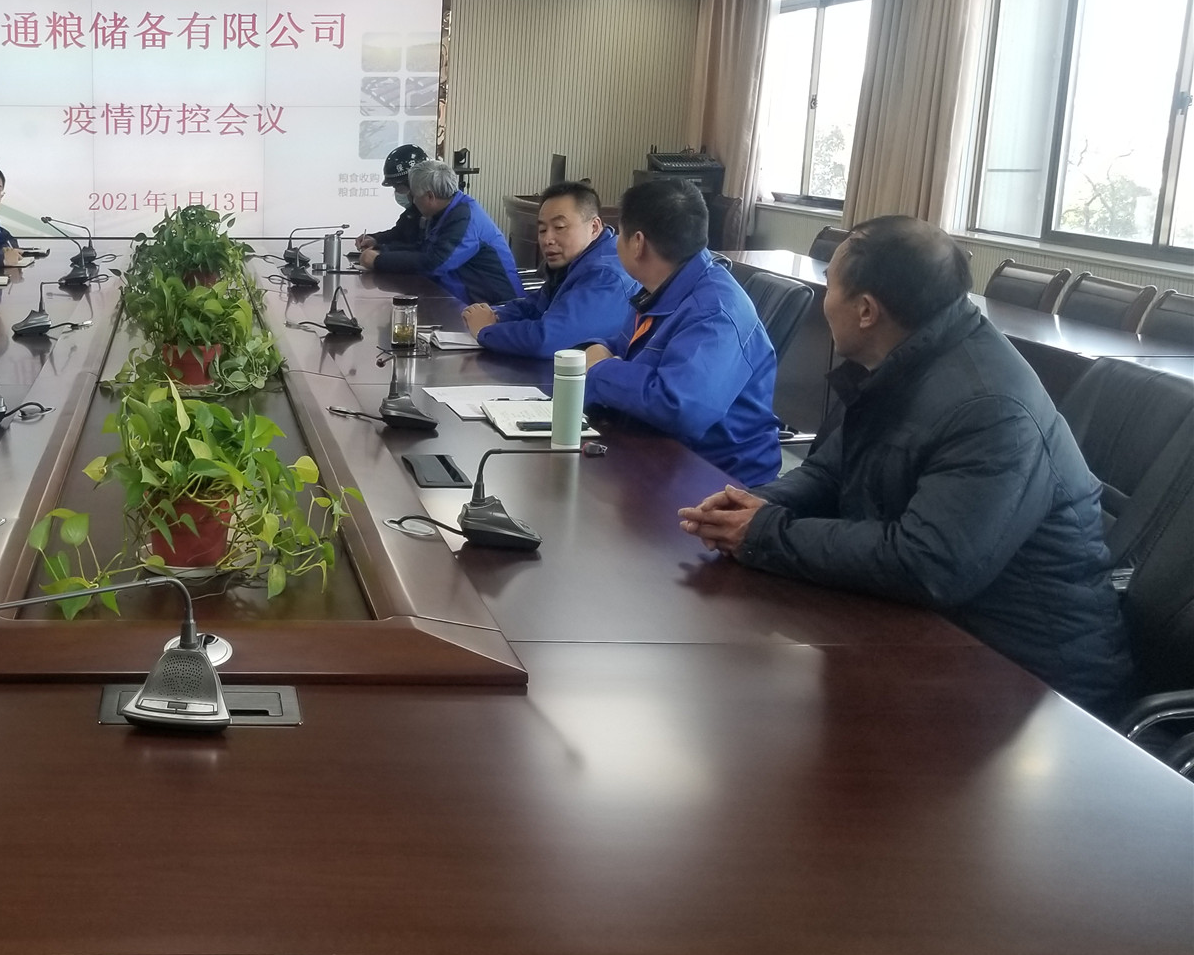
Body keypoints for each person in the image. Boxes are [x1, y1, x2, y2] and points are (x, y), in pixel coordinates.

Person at [679, 216, 1132, 717]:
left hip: (1033, 687)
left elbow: (929, 563)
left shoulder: (990, 408)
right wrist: (754, 506)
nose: (825, 299)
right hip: (943, 635)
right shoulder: (903, 362)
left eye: (831, 285)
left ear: (866, 310)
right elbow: (830, 473)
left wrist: (766, 534)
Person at [581, 179, 781, 485]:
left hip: (720, 479)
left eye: (619, 233)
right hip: (660, 452)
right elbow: (629, 348)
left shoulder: (715, 312)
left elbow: (681, 407)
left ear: (638, 243)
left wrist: (601, 369)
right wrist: (598, 348)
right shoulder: (662, 286)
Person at [462, 182, 638, 358]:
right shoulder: (577, 261)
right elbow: (534, 307)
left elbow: (549, 341)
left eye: (559, 227)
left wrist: (485, 330)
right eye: (542, 230)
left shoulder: (606, 275)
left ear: (594, 227)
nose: (547, 239)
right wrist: (494, 315)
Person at [358, 158, 523, 307]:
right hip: (463, 298)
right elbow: (423, 248)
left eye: (414, 196)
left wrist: (379, 260)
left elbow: (435, 263)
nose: (413, 201)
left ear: (430, 196)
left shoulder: (464, 217)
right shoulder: (445, 211)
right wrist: (382, 249)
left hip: (496, 308)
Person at [352, 143, 428, 254]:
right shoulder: (412, 212)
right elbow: (398, 234)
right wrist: (375, 239)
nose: (396, 193)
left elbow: (421, 250)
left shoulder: (435, 215)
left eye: (398, 187)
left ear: (415, 184)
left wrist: (380, 251)